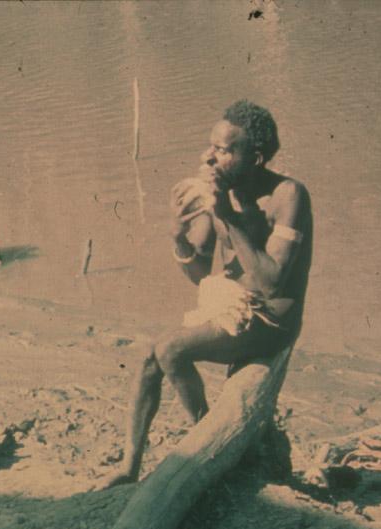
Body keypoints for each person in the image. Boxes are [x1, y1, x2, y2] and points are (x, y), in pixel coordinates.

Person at [100, 100, 313, 488]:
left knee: (170, 349)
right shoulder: (214, 190)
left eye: (223, 150)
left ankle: (208, 441)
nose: (208, 157)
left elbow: (272, 283)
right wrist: (177, 236)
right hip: (231, 306)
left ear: (257, 158)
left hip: (272, 319)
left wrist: (227, 216)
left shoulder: (287, 195)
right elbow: (199, 272)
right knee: (152, 354)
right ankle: (129, 466)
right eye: (210, 146)